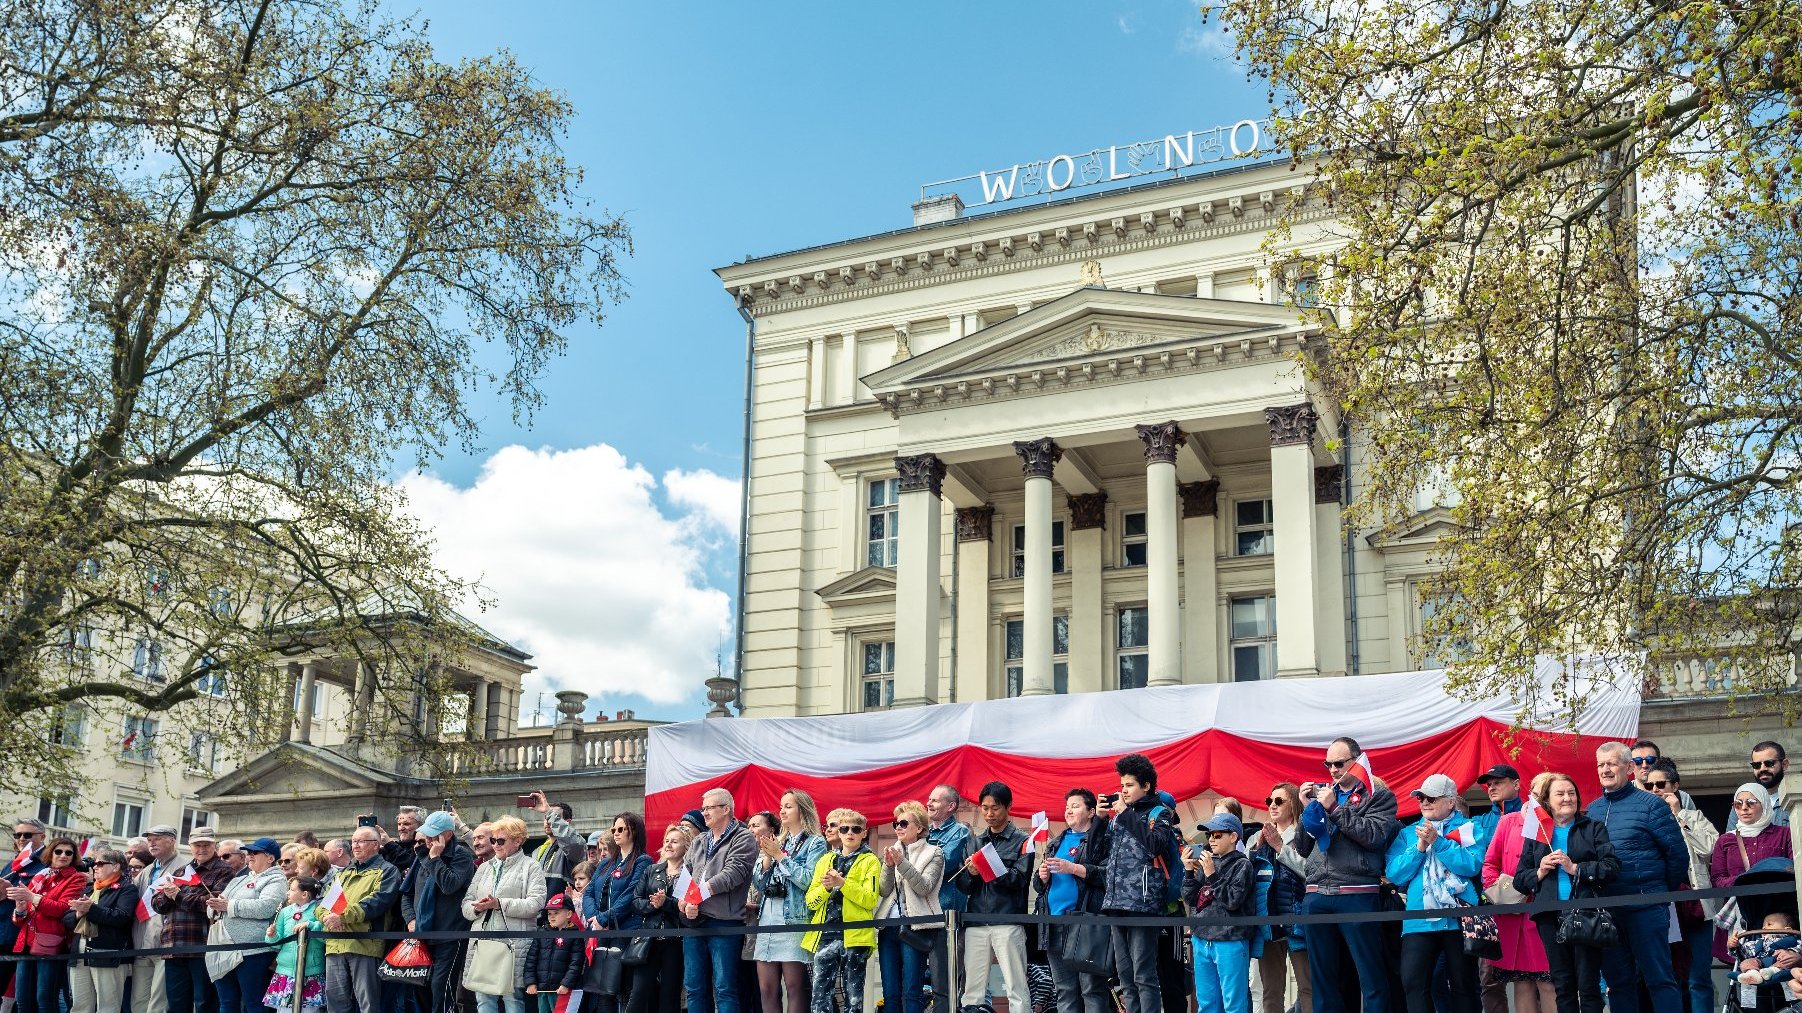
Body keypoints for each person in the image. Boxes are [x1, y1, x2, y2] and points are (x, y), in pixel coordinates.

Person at [1297, 737, 1399, 1013]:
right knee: (1323, 980)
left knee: (1371, 976)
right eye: (1327, 763)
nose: (1332, 769)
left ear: (1356, 761)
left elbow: (1374, 836)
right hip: (1317, 894)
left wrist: (1334, 809)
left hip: (1357, 893)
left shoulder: (1378, 795)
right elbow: (1303, 847)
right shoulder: (1324, 794)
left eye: (1338, 763)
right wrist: (1307, 808)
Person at [1588, 741, 1687, 1013]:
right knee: (1618, 984)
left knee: (1660, 980)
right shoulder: (1592, 810)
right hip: (1608, 913)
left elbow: (1677, 856)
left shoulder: (1651, 806)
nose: (1605, 769)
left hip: (1647, 909)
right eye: (1600, 764)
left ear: (1629, 768)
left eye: (1611, 763)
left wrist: (1656, 893)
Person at [1514, 772, 1620, 1013]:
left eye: (1571, 793)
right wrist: (1539, 871)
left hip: (1586, 914)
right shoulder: (1537, 833)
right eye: (1560, 794)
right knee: (1562, 985)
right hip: (1549, 917)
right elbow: (1520, 880)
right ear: (1547, 801)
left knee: (1588, 985)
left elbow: (1611, 867)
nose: (1567, 798)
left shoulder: (1593, 828)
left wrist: (1575, 868)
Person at [1385, 775, 1484, 1013]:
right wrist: (1419, 848)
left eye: (1431, 797)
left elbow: (1472, 866)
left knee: (1463, 985)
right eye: (1421, 797)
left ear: (1451, 802)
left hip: (1459, 918)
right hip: (1419, 920)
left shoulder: (1469, 827)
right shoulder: (1409, 833)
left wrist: (1438, 843)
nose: (1424, 802)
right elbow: (1395, 874)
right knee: (1413, 983)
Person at [1103, 756, 1180, 1013]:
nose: (1123, 790)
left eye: (1130, 785)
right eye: (1122, 785)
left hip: (1144, 904)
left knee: (1143, 974)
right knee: (1124, 976)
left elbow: (1155, 844)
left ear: (1146, 786)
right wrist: (1100, 821)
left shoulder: (1160, 813)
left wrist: (1125, 813)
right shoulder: (1117, 818)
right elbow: (1098, 852)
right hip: (1115, 903)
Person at [953, 780, 1033, 1013]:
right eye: (984, 808)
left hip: (1008, 920)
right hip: (976, 921)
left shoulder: (1023, 840)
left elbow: (1020, 880)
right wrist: (970, 873)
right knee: (972, 989)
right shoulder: (974, 841)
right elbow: (964, 887)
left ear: (1008, 807)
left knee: (1016, 987)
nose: (989, 813)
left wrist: (988, 868)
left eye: (995, 808)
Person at [1647, 759, 1719, 1013]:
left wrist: (1680, 815)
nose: (1654, 789)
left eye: (1660, 784)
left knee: (1699, 976)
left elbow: (1710, 847)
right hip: (1664, 905)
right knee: (1671, 975)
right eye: (1649, 785)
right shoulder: (1645, 819)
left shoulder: (1694, 815)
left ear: (1675, 786)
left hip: (1696, 904)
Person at [1480, 774, 1555, 1013]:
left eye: (1544, 791)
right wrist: (1498, 891)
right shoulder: (1509, 821)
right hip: (1513, 912)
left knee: (1548, 983)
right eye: (1534, 789)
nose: (1537, 795)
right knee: (1522, 983)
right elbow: (1490, 863)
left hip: (1544, 910)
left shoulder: (1556, 821)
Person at [681, 789, 757, 1013]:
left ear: (726, 809)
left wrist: (697, 896)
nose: (703, 813)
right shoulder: (698, 840)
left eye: (708, 808)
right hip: (693, 922)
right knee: (694, 987)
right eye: (703, 808)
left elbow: (733, 873)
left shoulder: (743, 837)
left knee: (724, 988)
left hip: (725, 922)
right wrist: (685, 904)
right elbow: (684, 875)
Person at [460, 816, 546, 1013]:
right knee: (483, 999)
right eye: (493, 840)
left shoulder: (530, 866)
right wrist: (477, 907)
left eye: (500, 841)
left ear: (518, 841)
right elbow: (466, 903)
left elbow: (536, 904)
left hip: (512, 945)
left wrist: (499, 904)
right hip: (482, 942)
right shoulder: (483, 867)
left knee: (513, 1000)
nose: (495, 845)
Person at [752, 790, 826, 1013]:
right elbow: (759, 884)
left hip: (794, 918)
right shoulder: (778, 839)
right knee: (766, 988)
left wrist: (779, 856)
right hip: (768, 919)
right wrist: (767, 858)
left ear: (802, 809)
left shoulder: (815, 843)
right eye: (781, 806)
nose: (782, 811)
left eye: (788, 806)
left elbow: (808, 880)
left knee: (795, 987)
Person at [1035, 789, 1108, 1013]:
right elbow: (1038, 887)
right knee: (1064, 990)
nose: (1069, 810)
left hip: (1084, 924)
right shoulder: (1057, 841)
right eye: (1067, 806)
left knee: (1091, 990)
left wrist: (1074, 868)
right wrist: (1042, 876)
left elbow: (1108, 875)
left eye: (1075, 806)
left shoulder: (1101, 840)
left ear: (1091, 812)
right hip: (1053, 924)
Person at [802, 809, 879, 1013]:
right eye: (844, 829)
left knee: (853, 999)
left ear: (864, 832)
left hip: (855, 936)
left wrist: (843, 883)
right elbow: (810, 901)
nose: (849, 833)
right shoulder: (825, 860)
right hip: (826, 934)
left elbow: (870, 899)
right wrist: (827, 888)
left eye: (856, 829)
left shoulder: (870, 860)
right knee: (820, 998)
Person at [152, 826, 235, 1013]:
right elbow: (157, 904)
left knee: (205, 1003)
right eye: (197, 845)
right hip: (174, 946)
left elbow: (211, 904)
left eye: (207, 844)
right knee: (176, 1003)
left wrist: (178, 896)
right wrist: (168, 895)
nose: (202, 849)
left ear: (215, 845)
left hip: (203, 946)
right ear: (190, 846)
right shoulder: (181, 871)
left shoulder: (225, 871)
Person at [400, 811, 474, 1013]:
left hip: (450, 935)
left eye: (433, 835)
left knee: (441, 986)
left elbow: (449, 885)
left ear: (448, 835)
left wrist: (434, 858)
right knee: (420, 987)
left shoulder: (461, 855)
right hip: (422, 933)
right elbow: (406, 893)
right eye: (427, 834)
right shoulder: (421, 854)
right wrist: (410, 919)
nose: (429, 839)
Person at [874, 799, 943, 1013]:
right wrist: (887, 865)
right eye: (896, 824)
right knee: (890, 993)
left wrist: (902, 863)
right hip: (888, 927)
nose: (898, 828)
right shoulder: (892, 850)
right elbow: (884, 891)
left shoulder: (934, 852)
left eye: (904, 823)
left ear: (920, 828)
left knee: (912, 992)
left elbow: (924, 888)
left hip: (915, 928)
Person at [324, 826, 402, 1013]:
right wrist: (330, 917)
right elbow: (325, 904)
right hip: (336, 943)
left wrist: (342, 917)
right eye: (353, 841)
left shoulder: (387, 870)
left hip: (365, 944)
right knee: (335, 1002)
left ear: (375, 845)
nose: (355, 846)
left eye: (361, 841)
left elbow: (377, 902)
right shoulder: (344, 873)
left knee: (367, 1003)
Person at [1184, 812, 1256, 1013]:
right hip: (1202, 938)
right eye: (1209, 836)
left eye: (1217, 835)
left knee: (1234, 1005)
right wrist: (1189, 871)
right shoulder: (1209, 863)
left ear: (1233, 837)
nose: (1211, 840)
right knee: (1206, 1004)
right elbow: (1191, 899)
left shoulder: (1243, 864)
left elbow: (1233, 901)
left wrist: (1212, 876)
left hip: (1230, 940)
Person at [10, 834, 88, 1013]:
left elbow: (62, 909)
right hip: (25, 942)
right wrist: (20, 910)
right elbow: (22, 918)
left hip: (50, 943)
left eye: (69, 853)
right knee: (22, 999)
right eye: (58, 851)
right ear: (50, 853)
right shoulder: (40, 875)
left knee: (45, 999)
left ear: (73, 857)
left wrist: (32, 897)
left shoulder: (76, 878)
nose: (63, 855)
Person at [1250, 783, 1311, 1013]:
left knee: (1308, 987)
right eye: (1269, 801)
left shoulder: (1305, 834)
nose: (1272, 806)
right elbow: (1249, 879)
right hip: (1269, 923)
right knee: (1271, 991)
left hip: (1297, 921)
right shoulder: (1259, 836)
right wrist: (1256, 851)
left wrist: (1279, 847)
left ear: (1294, 804)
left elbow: (1311, 872)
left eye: (1279, 801)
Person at [209, 838, 287, 1013]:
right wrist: (213, 906)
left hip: (253, 951)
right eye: (248, 852)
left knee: (253, 1003)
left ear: (270, 858)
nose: (249, 856)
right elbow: (220, 906)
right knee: (227, 1002)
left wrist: (228, 906)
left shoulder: (277, 879)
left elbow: (266, 907)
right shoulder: (239, 879)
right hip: (225, 948)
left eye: (255, 853)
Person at [1470, 766, 1522, 1013]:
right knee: (1488, 979)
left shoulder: (1532, 815)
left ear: (1516, 785)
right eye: (1488, 784)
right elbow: (1479, 864)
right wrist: (1499, 889)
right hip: (1490, 906)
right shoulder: (1479, 822)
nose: (1491, 787)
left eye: (1498, 782)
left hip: (1528, 905)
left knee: (1535, 976)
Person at [67, 847, 139, 1013]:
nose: (95, 867)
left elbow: (121, 917)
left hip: (108, 952)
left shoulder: (126, 889)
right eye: (93, 863)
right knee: (79, 1006)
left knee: (108, 1007)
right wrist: (79, 913)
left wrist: (90, 909)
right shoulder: (89, 888)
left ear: (116, 867)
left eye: (100, 863)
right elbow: (67, 918)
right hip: (79, 951)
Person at [628, 825, 689, 1013]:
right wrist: (652, 905)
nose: (669, 845)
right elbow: (635, 902)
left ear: (686, 846)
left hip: (675, 941)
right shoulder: (652, 870)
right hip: (649, 940)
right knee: (638, 994)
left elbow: (687, 909)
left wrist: (666, 902)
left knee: (670, 998)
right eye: (667, 841)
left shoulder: (689, 873)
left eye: (675, 841)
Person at [131, 824, 181, 1013]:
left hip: (165, 944)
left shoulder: (184, 867)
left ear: (172, 840)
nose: (151, 843)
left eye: (157, 839)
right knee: (138, 1002)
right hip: (141, 943)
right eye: (149, 839)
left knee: (157, 1005)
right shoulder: (148, 870)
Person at [264, 875, 328, 1013]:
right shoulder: (285, 912)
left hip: (311, 973)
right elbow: (276, 944)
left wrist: (311, 926)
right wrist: (272, 935)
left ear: (304, 894)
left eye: (292, 890)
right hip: (285, 973)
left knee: (310, 1010)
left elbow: (326, 937)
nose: (288, 893)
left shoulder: (319, 910)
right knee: (284, 1010)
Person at [2, 818, 49, 1005]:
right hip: (5, 932)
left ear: (42, 836)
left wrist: (11, 892)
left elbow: (43, 895)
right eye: (17, 835)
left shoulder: (48, 861)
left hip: (26, 937)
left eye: (27, 834)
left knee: (30, 999)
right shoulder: (16, 860)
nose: (21, 838)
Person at [523, 895, 584, 1013]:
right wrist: (530, 982)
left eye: (556, 913)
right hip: (542, 990)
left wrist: (566, 984)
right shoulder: (542, 932)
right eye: (549, 913)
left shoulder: (575, 936)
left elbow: (576, 964)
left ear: (568, 914)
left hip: (562, 990)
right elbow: (531, 959)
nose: (551, 917)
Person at [527, 795, 585, 902]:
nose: (548, 820)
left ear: (567, 822)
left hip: (562, 912)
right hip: (539, 913)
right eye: (546, 817)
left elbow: (573, 844)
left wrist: (549, 812)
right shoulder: (538, 850)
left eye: (555, 817)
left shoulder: (574, 846)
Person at [1730, 912, 1801, 986]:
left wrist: (1790, 951)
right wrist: (1734, 946)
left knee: (1794, 957)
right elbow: (1743, 953)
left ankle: (1774, 970)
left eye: (1769, 924)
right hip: (1761, 964)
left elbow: (1800, 947)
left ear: (1787, 929)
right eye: (1763, 926)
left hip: (1782, 963)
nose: (1764, 928)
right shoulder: (1758, 942)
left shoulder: (1793, 939)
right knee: (1746, 962)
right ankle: (1753, 973)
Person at [1738, 742, 1791, 829]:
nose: (1762, 769)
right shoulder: (1741, 803)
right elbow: (1732, 840)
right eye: (1757, 765)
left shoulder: (1796, 798)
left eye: (1769, 763)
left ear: (1784, 764)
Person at [1629, 742, 1696, 809]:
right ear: (1631, 765)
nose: (1644, 765)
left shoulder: (1682, 798)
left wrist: (1679, 813)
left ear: (1658, 761)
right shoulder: (1623, 795)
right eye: (1637, 761)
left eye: (1650, 760)